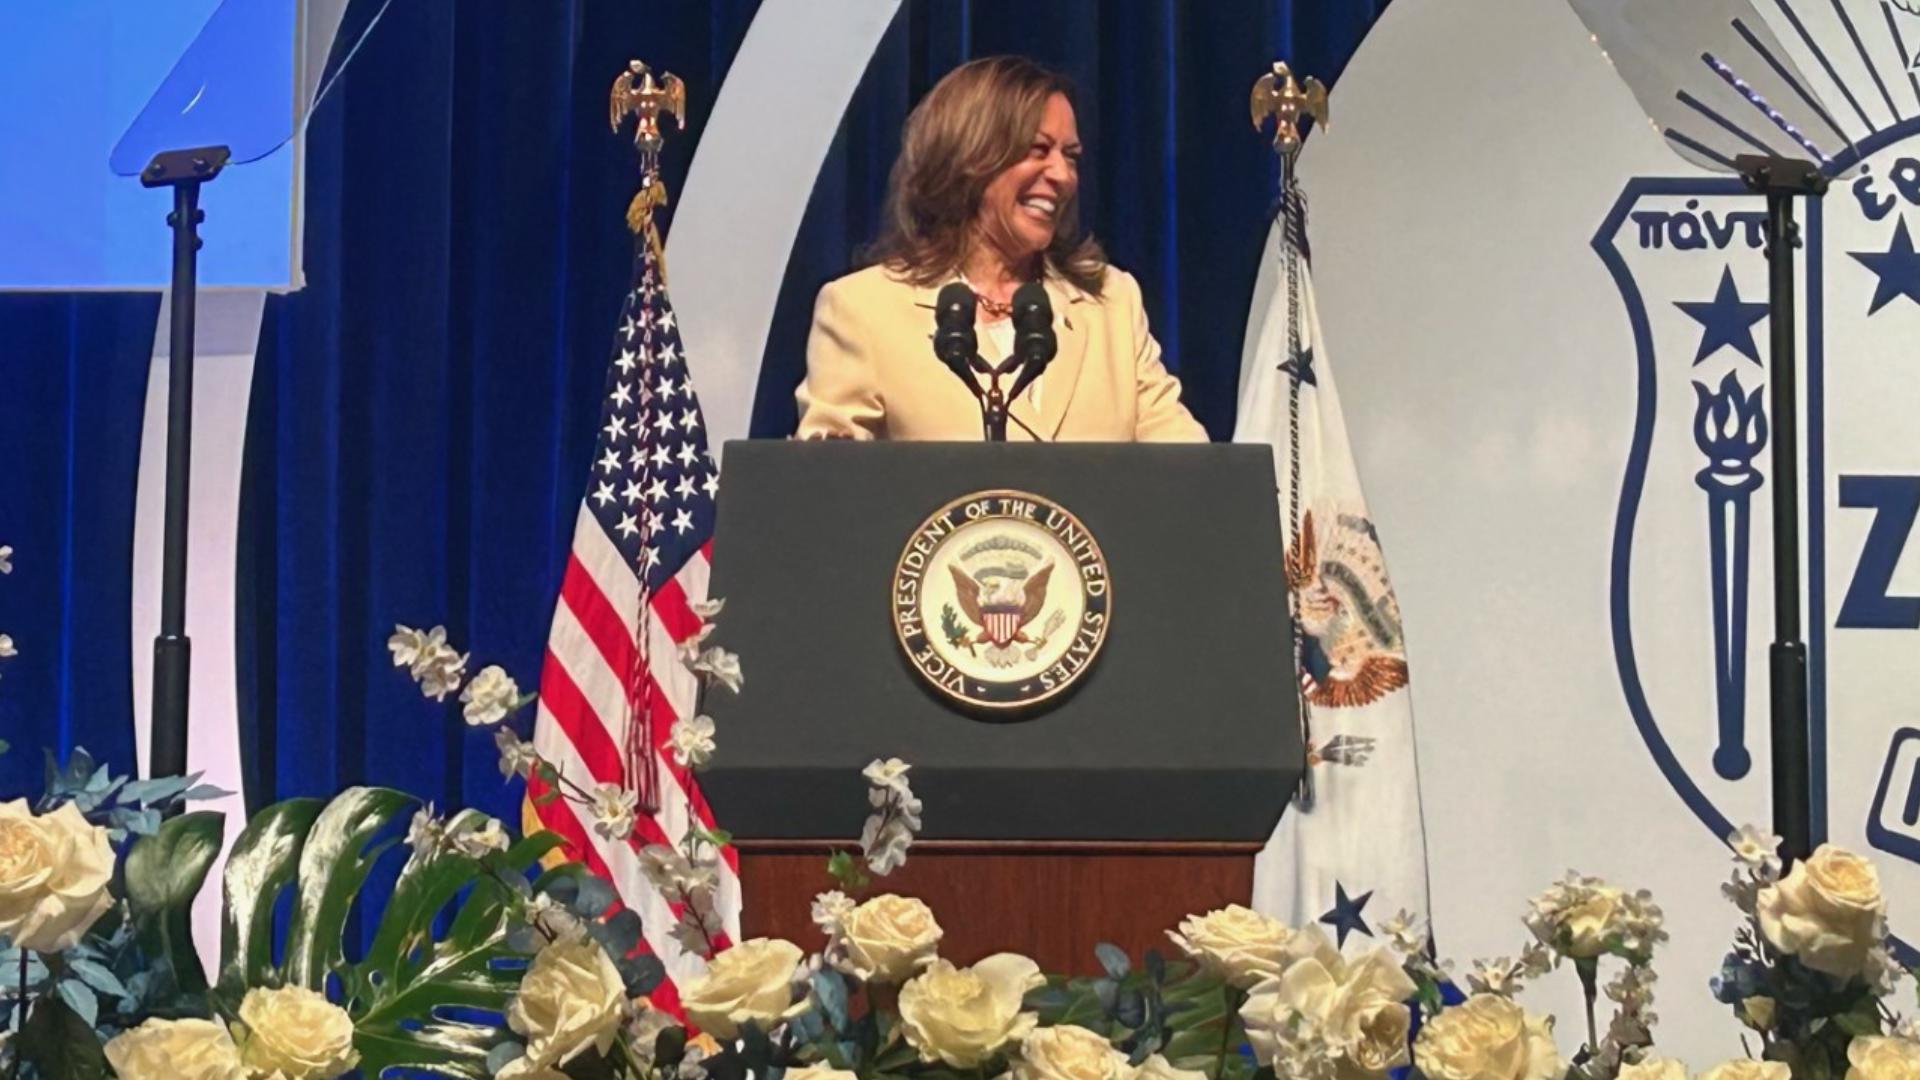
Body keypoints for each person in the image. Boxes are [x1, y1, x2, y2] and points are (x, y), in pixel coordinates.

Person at [796, 56, 1208, 442]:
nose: (1063, 176)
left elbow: (1184, 466)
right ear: (969, 157)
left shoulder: (1111, 303)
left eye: (1071, 156)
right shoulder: (863, 310)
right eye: (1038, 151)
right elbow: (830, 487)